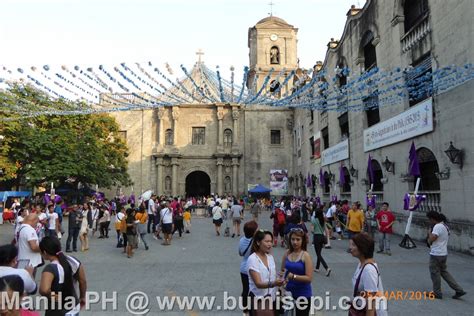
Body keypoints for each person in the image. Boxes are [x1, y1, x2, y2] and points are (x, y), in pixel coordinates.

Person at [39, 236, 87, 316]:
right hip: (73, 306)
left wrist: (57, 297)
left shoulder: (50, 268)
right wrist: (82, 297)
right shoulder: (73, 261)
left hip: (58, 311)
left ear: (45, 252)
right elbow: (83, 281)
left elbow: (44, 290)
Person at [426, 211, 466, 300]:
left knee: (434, 273)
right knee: (444, 272)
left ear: (433, 219)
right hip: (443, 253)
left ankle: (437, 293)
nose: (429, 221)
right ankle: (459, 289)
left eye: (429, 219)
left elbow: (432, 239)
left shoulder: (437, 226)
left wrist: (429, 233)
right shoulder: (445, 226)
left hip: (436, 253)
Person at [247, 230, 285, 315]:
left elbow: (272, 277)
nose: (269, 244)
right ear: (258, 242)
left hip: (272, 300)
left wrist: (280, 279)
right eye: (267, 241)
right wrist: (274, 283)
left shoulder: (270, 257)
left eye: (271, 241)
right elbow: (258, 283)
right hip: (258, 300)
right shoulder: (253, 259)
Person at [349, 233, 388, 316]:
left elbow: (371, 301)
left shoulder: (368, 270)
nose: (350, 248)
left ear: (362, 248)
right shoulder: (361, 264)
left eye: (353, 245)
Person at [281, 228, 313, 316]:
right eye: (293, 239)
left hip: (303, 294)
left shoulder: (305, 255)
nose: (295, 242)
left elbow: (309, 278)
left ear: (302, 241)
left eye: (298, 239)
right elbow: (282, 272)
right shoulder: (287, 253)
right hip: (288, 293)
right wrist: (281, 283)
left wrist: (294, 277)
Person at [238, 221, 258, 316]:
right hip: (254, 268)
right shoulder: (256, 242)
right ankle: (253, 309)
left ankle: (245, 310)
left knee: (245, 289)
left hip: (243, 268)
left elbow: (240, 253)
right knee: (254, 290)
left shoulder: (242, 240)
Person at [311, 207, 331, 276]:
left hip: (316, 237)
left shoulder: (314, 220)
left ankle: (327, 268)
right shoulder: (323, 220)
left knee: (318, 254)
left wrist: (313, 231)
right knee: (319, 253)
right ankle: (317, 268)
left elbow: (312, 230)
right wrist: (328, 240)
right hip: (322, 237)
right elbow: (326, 230)